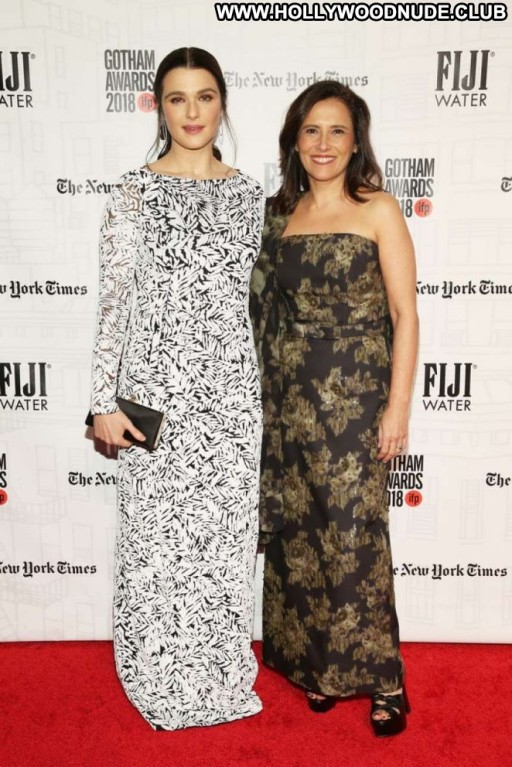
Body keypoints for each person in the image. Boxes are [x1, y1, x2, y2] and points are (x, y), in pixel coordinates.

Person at [89, 47, 265, 731]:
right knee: (156, 545)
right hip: (153, 395)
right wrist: (101, 402)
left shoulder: (250, 195)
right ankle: (158, 672)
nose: (192, 112)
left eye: (205, 96)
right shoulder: (133, 191)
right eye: (177, 98)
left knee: (222, 543)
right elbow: (115, 302)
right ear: (159, 108)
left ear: (222, 103)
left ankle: (219, 673)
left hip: (231, 396)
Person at [250, 80, 418, 737]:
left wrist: (397, 408)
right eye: (311, 131)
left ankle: (384, 679)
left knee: (354, 539)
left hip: (355, 405)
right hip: (288, 405)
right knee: (301, 539)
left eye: (337, 131)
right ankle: (321, 668)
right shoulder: (278, 215)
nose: (324, 143)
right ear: (295, 141)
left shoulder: (378, 209)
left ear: (355, 143)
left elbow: (405, 314)